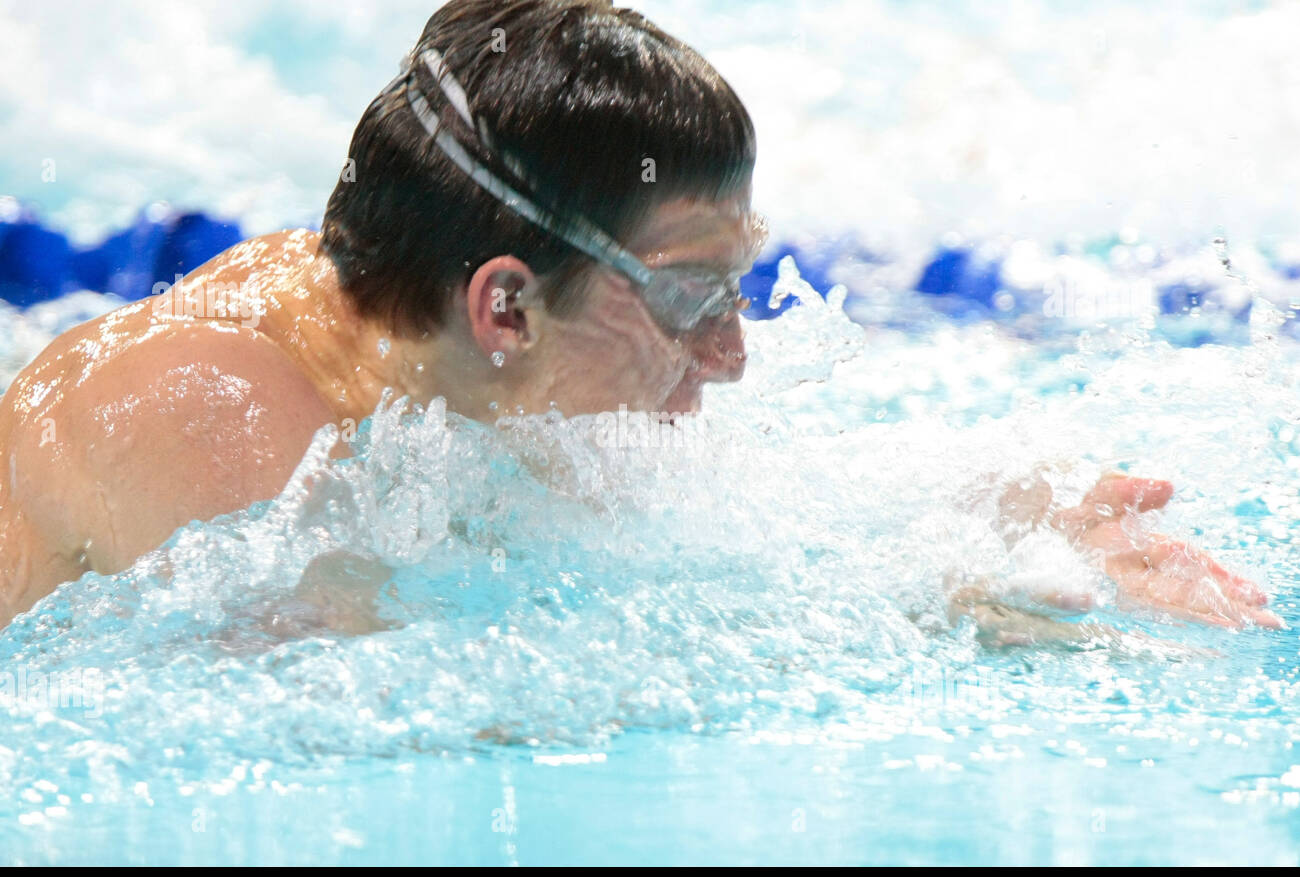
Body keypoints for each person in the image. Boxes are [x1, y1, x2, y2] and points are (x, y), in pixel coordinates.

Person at [0, 0, 1278, 634]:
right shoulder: (208, 424)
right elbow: (421, 713)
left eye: (742, 287)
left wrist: (963, 519)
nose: (731, 353)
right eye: (690, 297)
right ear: (503, 302)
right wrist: (942, 618)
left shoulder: (440, 344)